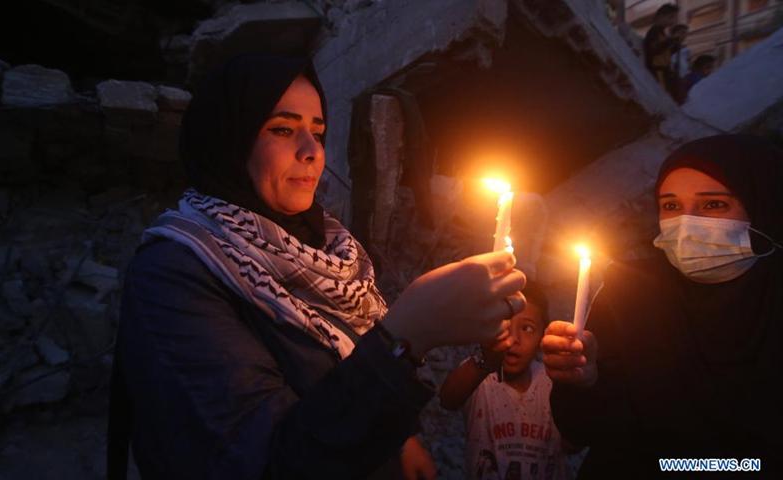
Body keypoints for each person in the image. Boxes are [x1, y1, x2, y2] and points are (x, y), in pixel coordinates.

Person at [106, 54, 528, 480]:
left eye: (319, 132)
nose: (311, 152)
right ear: (229, 140)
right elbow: (265, 465)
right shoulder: (175, 274)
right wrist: (408, 336)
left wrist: (401, 440)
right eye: (284, 130)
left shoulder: (324, 247)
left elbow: (345, 362)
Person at [541, 134, 783, 479]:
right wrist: (582, 382)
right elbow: (581, 433)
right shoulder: (632, 292)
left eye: (713, 205)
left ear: (765, 206)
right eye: (671, 206)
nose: (686, 225)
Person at [439, 283, 569, 480]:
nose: (514, 338)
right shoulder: (480, 376)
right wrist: (484, 360)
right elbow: (447, 399)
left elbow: (573, 444)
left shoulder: (551, 382)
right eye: (504, 324)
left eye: (527, 328)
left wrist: (577, 384)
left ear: (543, 337)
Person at [643, 4, 683, 97]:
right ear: (660, 16)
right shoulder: (654, 32)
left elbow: (665, 53)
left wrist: (675, 45)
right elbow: (653, 50)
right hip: (658, 70)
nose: (672, 21)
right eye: (670, 17)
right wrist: (670, 40)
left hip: (665, 70)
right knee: (663, 96)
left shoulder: (663, 33)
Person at [669, 24, 690, 104]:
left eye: (685, 33)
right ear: (674, 34)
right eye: (681, 33)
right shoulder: (671, 47)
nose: (683, 36)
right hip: (674, 78)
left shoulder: (685, 49)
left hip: (683, 78)